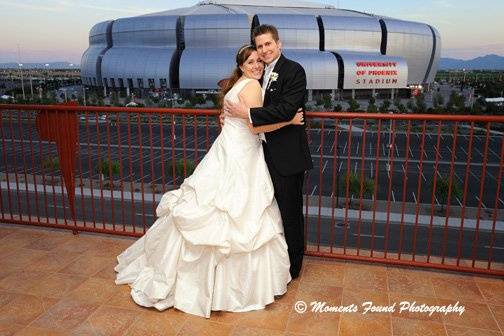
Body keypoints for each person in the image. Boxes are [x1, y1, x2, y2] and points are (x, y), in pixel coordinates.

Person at [114, 45, 305, 318]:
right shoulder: (251, 86)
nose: (256, 66)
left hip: (229, 149)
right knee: (239, 212)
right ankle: (226, 289)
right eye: (251, 61)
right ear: (241, 65)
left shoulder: (237, 85)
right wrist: (290, 121)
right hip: (240, 155)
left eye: (259, 61)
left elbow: (234, 120)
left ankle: (199, 283)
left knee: (216, 206)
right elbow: (255, 126)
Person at [223, 24, 313, 279]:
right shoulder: (258, 73)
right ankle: (274, 263)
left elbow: (286, 109)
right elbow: (238, 91)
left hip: (287, 156)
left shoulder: (294, 70)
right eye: (260, 46)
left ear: (278, 44)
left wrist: (247, 114)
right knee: (267, 211)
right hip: (261, 153)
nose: (263, 51)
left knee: (290, 212)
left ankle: (294, 268)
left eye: (267, 45)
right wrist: (229, 115)